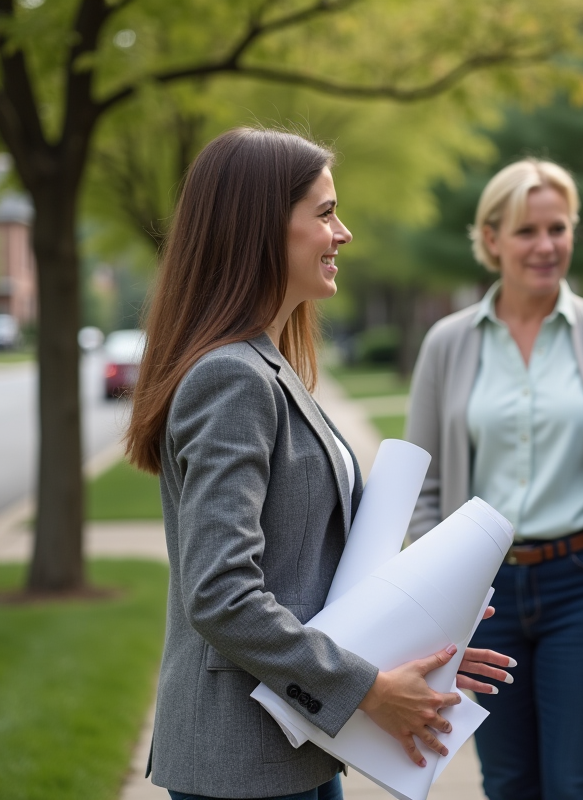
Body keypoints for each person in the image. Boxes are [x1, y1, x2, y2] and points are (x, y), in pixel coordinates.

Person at [125, 127, 512, 800]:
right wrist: (366, 689)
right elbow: (221, 594)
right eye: (326, 212)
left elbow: (303, 562)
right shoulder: (234, 380)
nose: (345, 233)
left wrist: (417, 637)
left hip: (288, 750)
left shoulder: (268, 368)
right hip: (243, 760)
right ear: (260, 228)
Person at [405, 158, 583, 800]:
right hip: (484, 598)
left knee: (577, 785)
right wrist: (443, 596)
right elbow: (423, 484)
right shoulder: (447, 343)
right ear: (491, 239)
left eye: (558, 229)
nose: (546, 246)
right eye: (526, 231)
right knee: (509, 782)